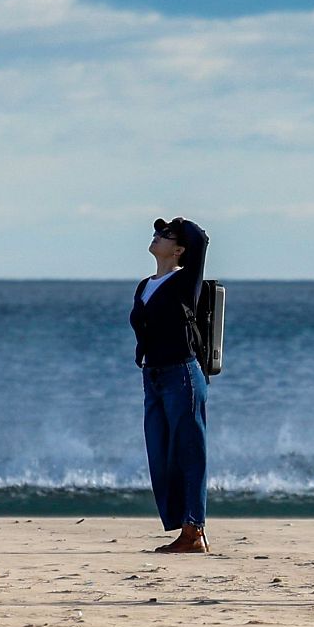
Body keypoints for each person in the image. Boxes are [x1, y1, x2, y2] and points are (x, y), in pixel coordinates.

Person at [129, 216, 212, 553]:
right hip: (154, 375)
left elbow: (201, 239)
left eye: (165, 235)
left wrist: (180, 222)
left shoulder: (185, 281)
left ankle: (194, 530)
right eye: (157, 232)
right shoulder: (145, 284)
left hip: (182, 373)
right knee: (161, 452)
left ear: (179, 250)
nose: (157, 236)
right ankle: (185, 526)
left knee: (190, 452)